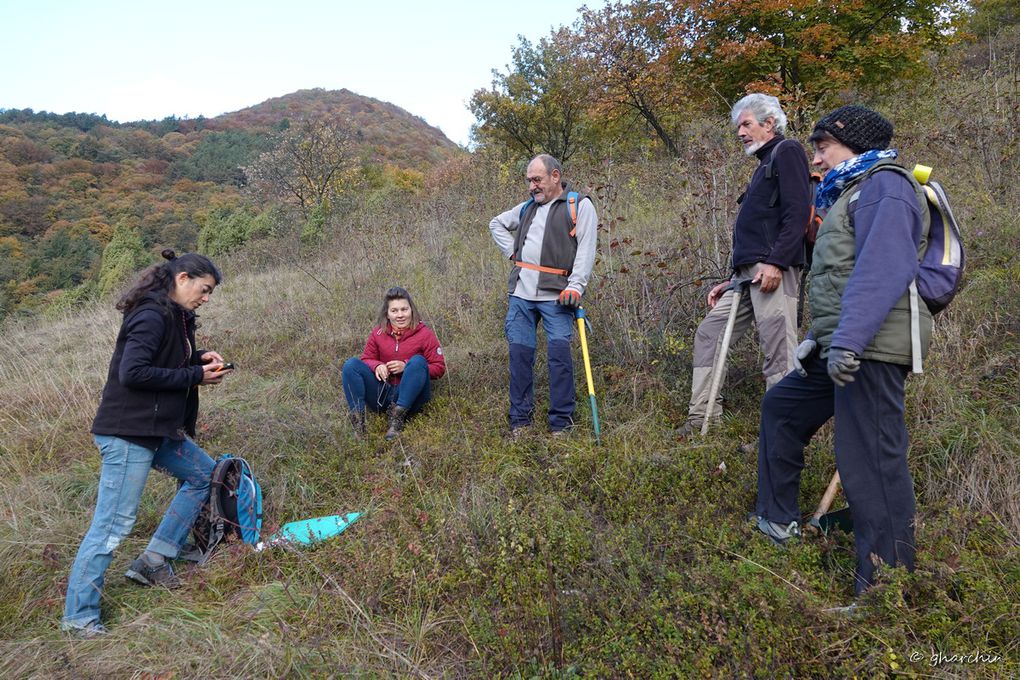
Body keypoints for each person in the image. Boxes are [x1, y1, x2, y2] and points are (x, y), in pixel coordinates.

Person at [753, 106, 929, 601]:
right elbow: (838, 278)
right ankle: (776, 519)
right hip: (841, 345)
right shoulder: (850, 193)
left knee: (870, 460)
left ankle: (885, 588)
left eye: (823, 148)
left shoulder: (886, 187)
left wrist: (849, 341)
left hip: (870, 347)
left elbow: (883, 269)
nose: (815, 159)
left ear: (853, 146)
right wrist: (821, 338)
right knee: (782, 407)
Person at [62, 250, 231, 638]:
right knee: (111, 527)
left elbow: (166, 360)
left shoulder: (176, 317)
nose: (206, 298)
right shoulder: (152, 313)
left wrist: (199, 358)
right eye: (204, 290)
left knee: (205, 475)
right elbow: (134, 372)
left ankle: (154, 559)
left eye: (210, 294)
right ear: (183, 278)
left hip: (158, 430)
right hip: (129, 432)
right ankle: (79, 618)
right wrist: (194, 375)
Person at [676, 93, 811, 438]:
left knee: (779, 351)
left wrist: (777, 263)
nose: (740, 133)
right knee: (710, 333)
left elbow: (796, 214)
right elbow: (760, 231)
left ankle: (780, 437)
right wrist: (731, 279)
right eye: (738, 126)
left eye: (746, 124)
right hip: (748, 276)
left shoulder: (788, 151)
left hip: (773, 272)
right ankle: (701, 420)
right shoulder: (762, 166)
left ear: (769, 123)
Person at [489, 154, 598, 438]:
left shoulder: (578, 205)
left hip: (557, 296)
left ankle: (561, 423)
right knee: (520, 357)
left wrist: (576, 286)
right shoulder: (527, 208)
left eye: (537, 180)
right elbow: (495, 224)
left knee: (559, 359)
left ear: (555, 176)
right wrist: (513, 252)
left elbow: (586, 251)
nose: (531, 186)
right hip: (521, 296)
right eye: (529, 181)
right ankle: (520, 423)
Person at [341, 287, 446, 440]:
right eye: (394, 310)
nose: (400, 315)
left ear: (412, 310)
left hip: (412, 397)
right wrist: (377, 365)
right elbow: (366, 359)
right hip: (382, 394)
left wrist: (406, 366)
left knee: (417, 361)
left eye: (404, 309)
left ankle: (397, 419)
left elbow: (439, 367)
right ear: (387, 313)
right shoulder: (378, 333)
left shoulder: (425, 334)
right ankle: (358, 424)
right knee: (351, 365)